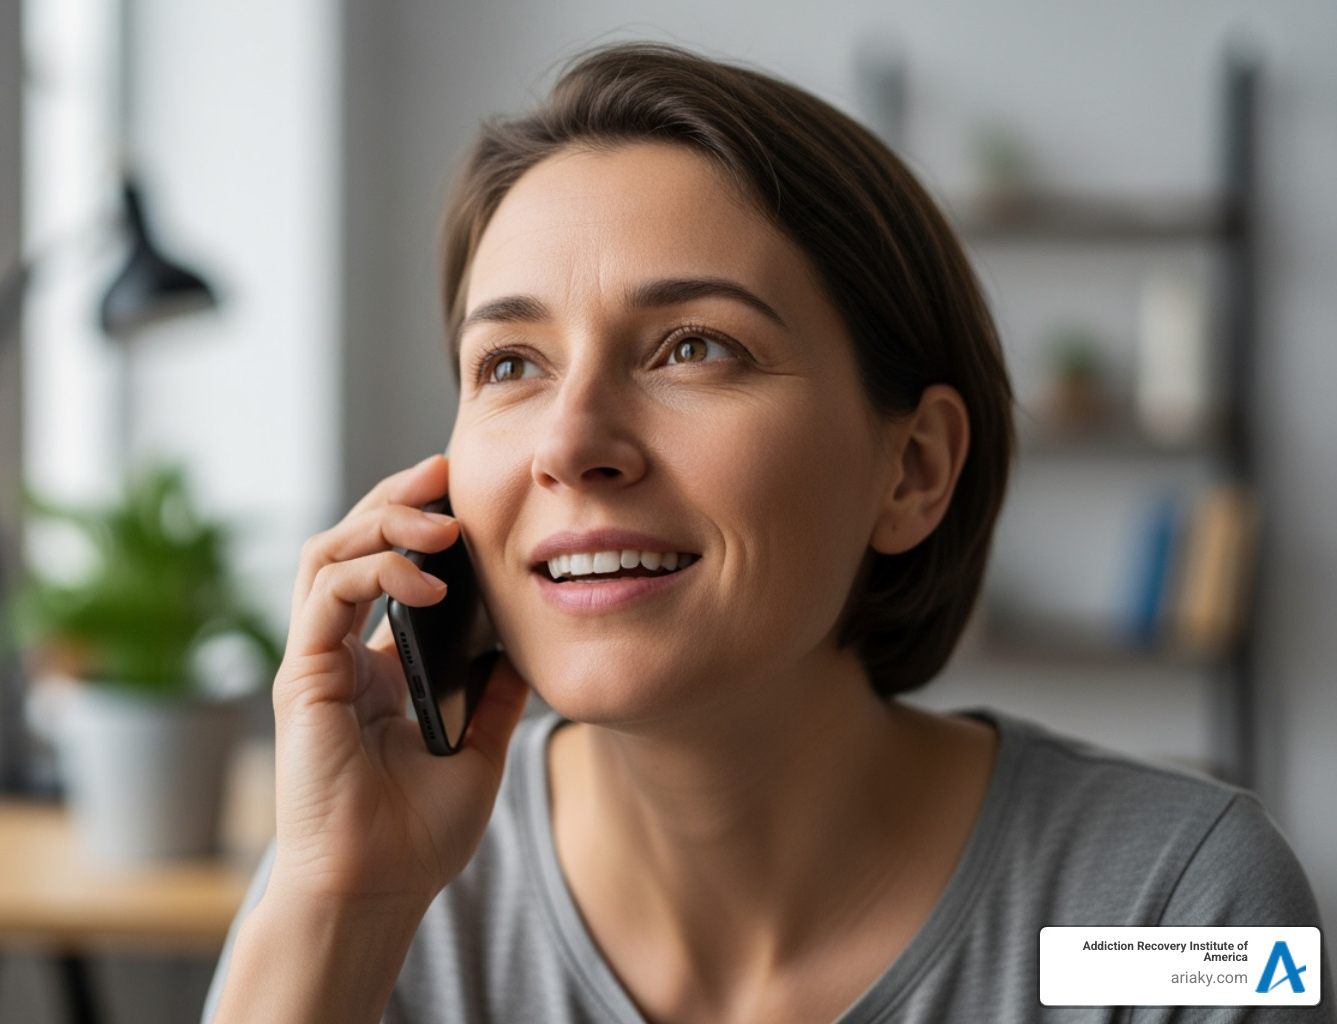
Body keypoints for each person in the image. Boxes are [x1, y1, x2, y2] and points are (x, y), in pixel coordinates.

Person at [204, 44, 1329, 1023]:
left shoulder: (1185, 909)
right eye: (511, 364)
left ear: (915, 467)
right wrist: (339, 909)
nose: (571, 440)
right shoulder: (371, 888)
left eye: (697, 346)